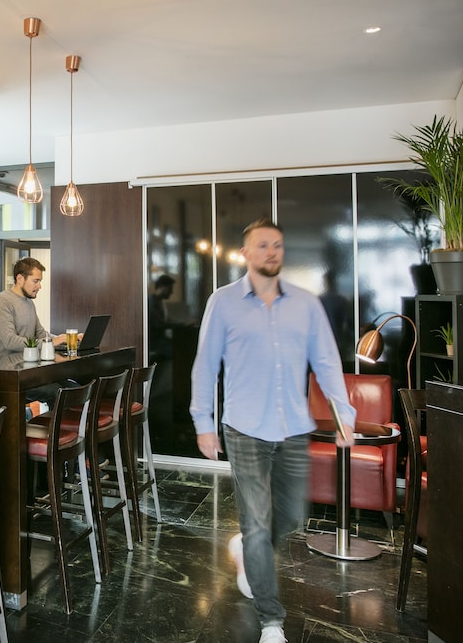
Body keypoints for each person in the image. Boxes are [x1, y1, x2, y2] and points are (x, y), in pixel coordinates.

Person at [189, 218, 355, 643]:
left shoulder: (305, 304)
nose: (271, 252)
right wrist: (203, 424)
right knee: (258, 523)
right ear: (245, 253)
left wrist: (344, 416)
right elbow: (206, 366)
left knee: (290, 516)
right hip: (243, 427)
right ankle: (271, 621)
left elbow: (328, 363)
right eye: (262, 245)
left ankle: (246, 550)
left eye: (277, 245)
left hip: (293, 428)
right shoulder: (223, 302)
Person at [0, 257, 73, 410]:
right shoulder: (1, 301)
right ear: (20, 279)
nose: (39, 286)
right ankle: (56, 433)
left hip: (28, 370)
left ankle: (70, 431)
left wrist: (65, 339)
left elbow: (41, 333)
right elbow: (10, 341)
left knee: (72, 388)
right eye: (36, 281)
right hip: (7, 374)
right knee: (57, 393)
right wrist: (50, 342)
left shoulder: (29, 303)